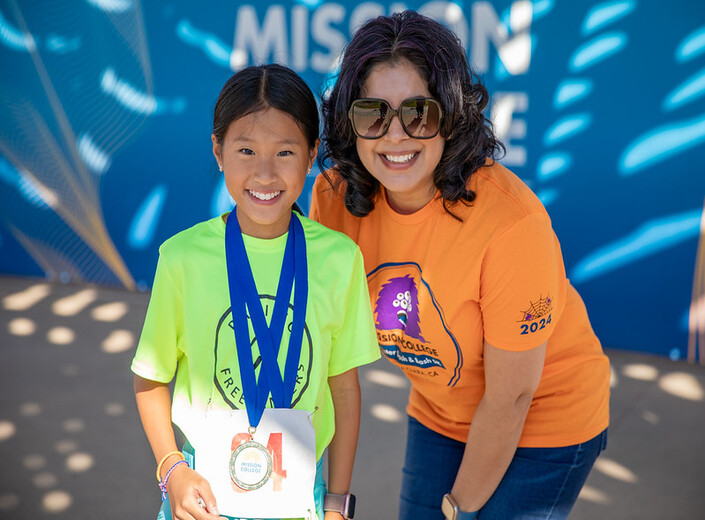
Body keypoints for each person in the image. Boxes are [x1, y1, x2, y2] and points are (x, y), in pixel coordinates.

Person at [309, 10, 610, 520]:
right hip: (440, 411)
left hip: (544, 417)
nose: (395, 135)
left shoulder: (510, 224)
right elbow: (316, 347)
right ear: (348, 121)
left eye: (419, 113)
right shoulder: (336, 199)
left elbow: (512, 397)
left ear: (451, 115)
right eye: (373, 114)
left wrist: (458, 508)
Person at [132, 64, 379, 520]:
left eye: (285, 152)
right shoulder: (182, 258)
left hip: (303, 497)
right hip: (202, 497)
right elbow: (150, 376)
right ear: (218, 151)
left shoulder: (339, 260)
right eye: (246, 149)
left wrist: (338, 504)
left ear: (311, 156)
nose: (265, 173)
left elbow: (344, 390)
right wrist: (172, 471)